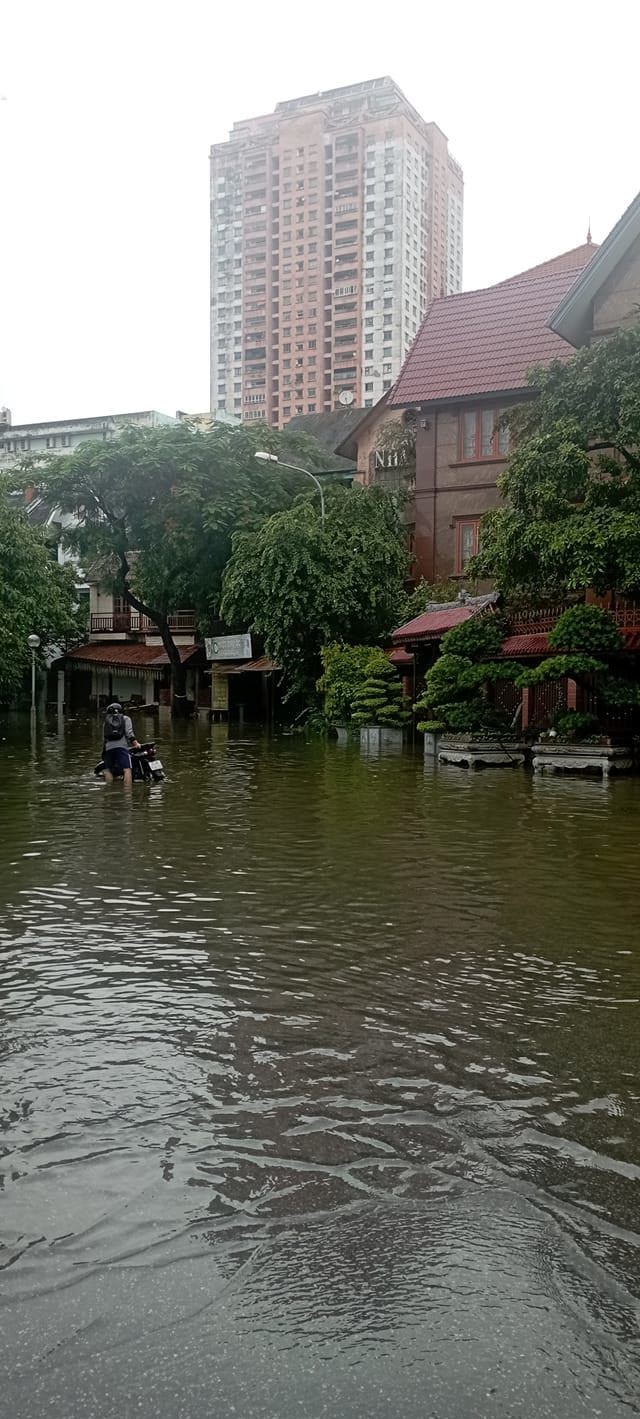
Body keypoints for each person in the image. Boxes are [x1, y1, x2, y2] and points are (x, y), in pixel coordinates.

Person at [102, 702, 140, 786]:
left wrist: (104, 751)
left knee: (108, 770)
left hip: (108, 748)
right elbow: (129, 733)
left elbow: (104, 737)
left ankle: (109, 791)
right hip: (121, 747)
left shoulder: (106, 721)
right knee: (127, 769)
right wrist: (135, 743)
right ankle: (127, 793)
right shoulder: (125, 718)